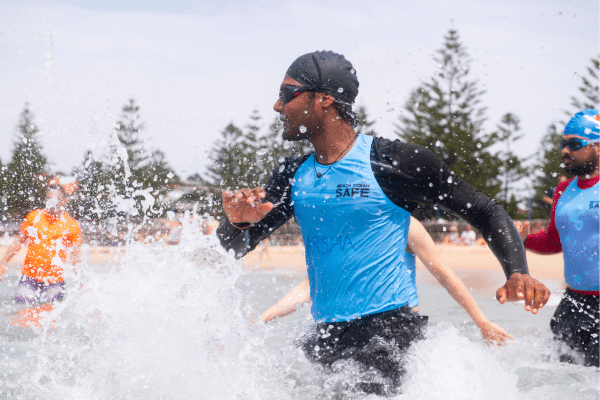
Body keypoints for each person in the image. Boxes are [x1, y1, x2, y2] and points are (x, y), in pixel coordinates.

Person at [217, 51, 549, 394]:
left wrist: (517, 271)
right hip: (324, 336)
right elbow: (231, 249)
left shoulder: (394, 162)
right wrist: (239, 224)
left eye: (288, 94)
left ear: (324, 99)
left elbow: (485, 210)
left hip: (388, 335)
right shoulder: (292, 175)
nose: (277, 106)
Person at [261, 217, 514, 346]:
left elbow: (445, 275)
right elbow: (309, 287)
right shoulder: (344, 230)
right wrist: (261, 320)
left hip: (399, 325)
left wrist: (481, 321)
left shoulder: (402, 223)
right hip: (346, 329)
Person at [517, 108, 599, 367]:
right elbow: (555, 241)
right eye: (563, 144)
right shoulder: (563, 190)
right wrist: (524, 240)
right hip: (574, 302)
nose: (565, 150)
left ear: (597, 147)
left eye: (575, 144)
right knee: (558, 376)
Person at [0, 184, 82, 306]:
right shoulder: (34, 217)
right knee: (22, 311)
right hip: (29, 276)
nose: (53, 202)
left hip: (55, 281)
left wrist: (80, 281)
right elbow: (19, 241)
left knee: (50, 314)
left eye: (56, 199)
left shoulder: (71, 224)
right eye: (49, 198)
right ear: (45, 200)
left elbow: (76, 256)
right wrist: (3, 262)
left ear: (64, 200)